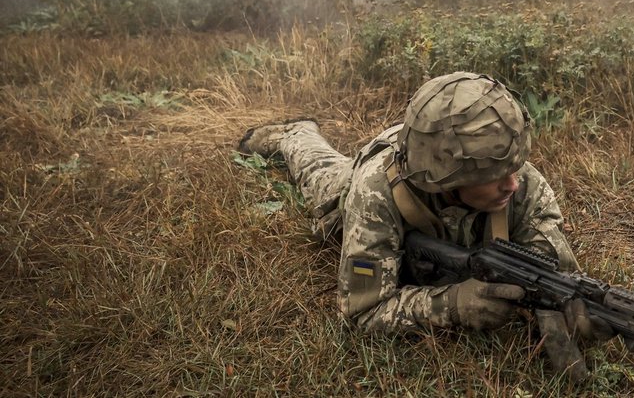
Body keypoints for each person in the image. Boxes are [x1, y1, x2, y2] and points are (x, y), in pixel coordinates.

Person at [237, 71, 611, 383]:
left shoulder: (521, 182)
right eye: (494, 176)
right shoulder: (375, 195)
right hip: (361, 178)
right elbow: (361, 313)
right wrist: (452, 305)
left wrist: (562, 306)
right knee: (318, 171)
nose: (512, 185)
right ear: (447, 180)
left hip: (429, 148)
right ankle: (296, 133)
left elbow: (554, 266)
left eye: (514, 168)